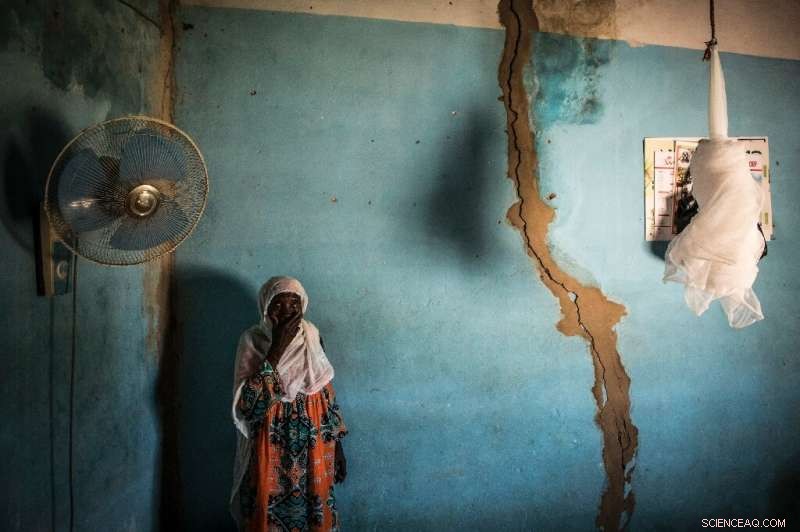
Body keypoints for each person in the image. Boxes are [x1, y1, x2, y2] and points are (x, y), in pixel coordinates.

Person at [231, 276, 347, 531]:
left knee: (315, 511)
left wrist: (338, 446)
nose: (287, 311)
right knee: (266, 508)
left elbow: (326, 392)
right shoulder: (251, 341)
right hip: (270, 442)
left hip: (316, 442)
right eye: (278, 304)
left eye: (294, 303)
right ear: (265, 308)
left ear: (303, 304)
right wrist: (278, 345)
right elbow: (248, 408)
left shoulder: (313, 336)